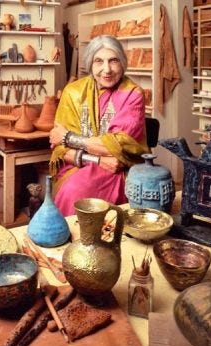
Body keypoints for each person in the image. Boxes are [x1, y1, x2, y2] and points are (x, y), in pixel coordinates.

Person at [49, 35, 149, 216]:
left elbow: (118, 147)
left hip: (120, 168)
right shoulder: (73, 92)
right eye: (98, 61)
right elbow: (60, 150)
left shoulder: (133, 94)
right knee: (73, 189)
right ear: (90, 64)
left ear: (122, 63)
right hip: (78, 166)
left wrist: (68, 137)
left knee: (77, 191)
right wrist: (99, 159)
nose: (107, 69)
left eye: (113, 61)